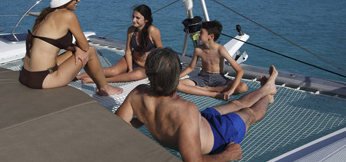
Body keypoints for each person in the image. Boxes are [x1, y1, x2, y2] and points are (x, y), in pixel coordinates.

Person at [116, 47, 278, 161]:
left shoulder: (138, 94)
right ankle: (267, 94)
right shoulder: (186, 110)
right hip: (218, 137)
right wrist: (227, 155)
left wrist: (145, 118)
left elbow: (118, 124)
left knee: (236, 104)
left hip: (199, 122)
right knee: (249, 113)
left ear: (149, 74)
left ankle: (266, 90)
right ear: (176, 76)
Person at [19, 0, 123, 96]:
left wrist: (74, 48)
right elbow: (84, 46)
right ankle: (104, 88)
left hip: (26, 75)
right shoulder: (68, 16)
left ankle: (103, 86)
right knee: (90, 51)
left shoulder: (47, 15)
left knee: (77, 51)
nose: (78, 1)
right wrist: (79, 48)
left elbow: (53, 43)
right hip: (42, 79)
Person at [77, 4, 163, 83]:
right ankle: (78, 76)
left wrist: (157, 70)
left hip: (146, 67)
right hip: (132, 60)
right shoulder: (131, 30)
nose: (133, 20)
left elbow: (161, 51)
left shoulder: (152, 31)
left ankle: (96, 81)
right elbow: (128, 51)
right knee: (113, 71)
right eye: (133, 17)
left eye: (137, 18)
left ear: (146, 19)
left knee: (136, 75)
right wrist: (130, 69)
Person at [178, 20, 247, 100]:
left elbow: (240, 71)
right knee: (176, 85)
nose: (198, 34)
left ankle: (207, 89)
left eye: (201, 32)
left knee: (243, 87)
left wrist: (231, 91)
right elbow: (191, 68)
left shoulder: (220, 49)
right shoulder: (198, 49)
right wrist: (177, 78)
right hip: (203, 77)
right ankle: (211, 93)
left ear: (211, 37)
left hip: (219, 78)